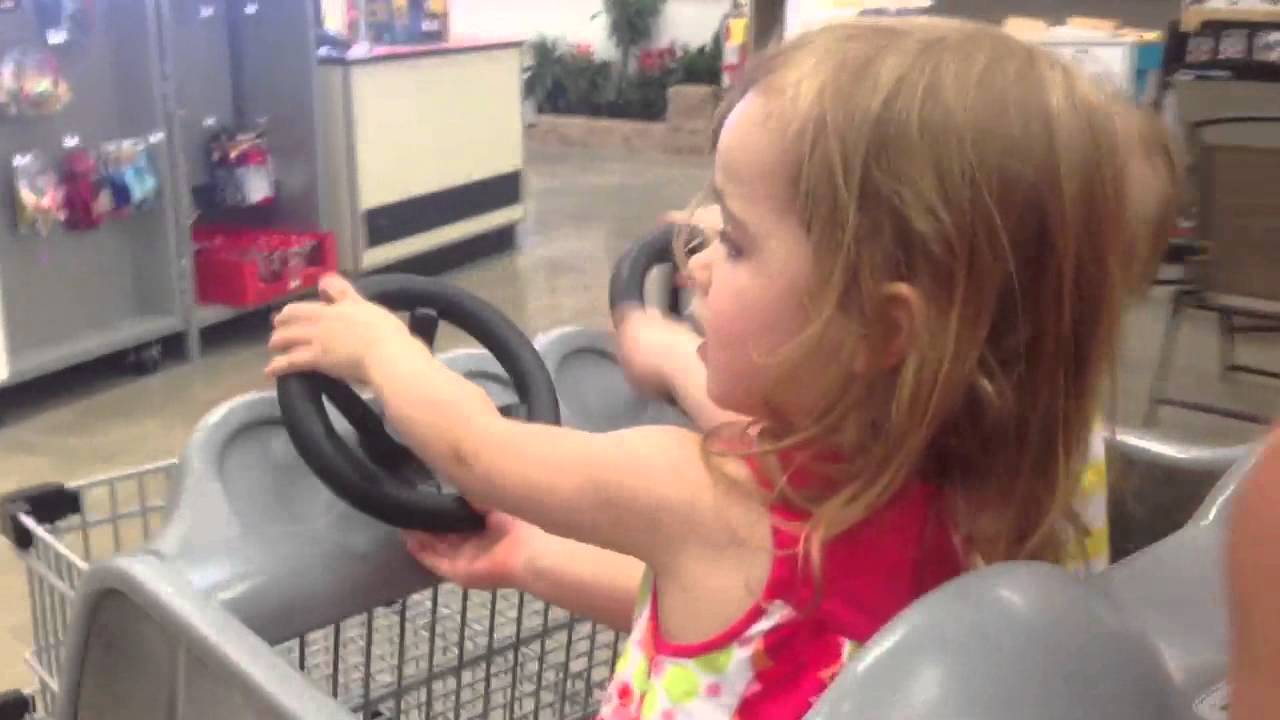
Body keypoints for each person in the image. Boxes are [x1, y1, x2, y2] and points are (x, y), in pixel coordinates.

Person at [266, 17, 1159, 719]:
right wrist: (537, 559)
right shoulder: (1006, 502)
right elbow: (740, 629)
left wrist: (379, 350)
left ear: (880, 333)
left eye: (733, 240)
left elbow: (473, 447)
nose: (690, 261)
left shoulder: (704, 496)